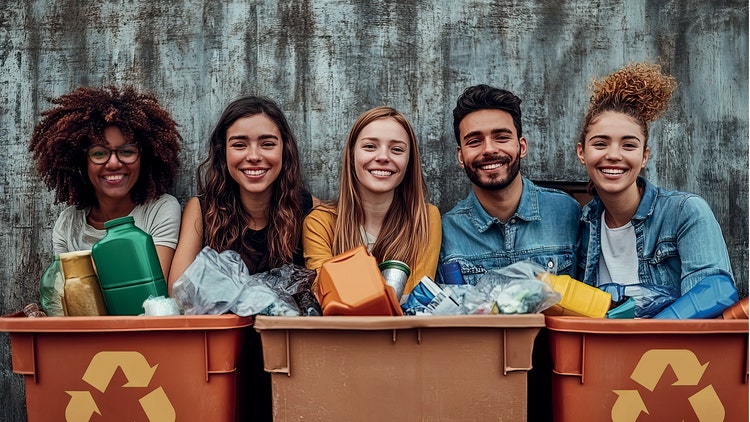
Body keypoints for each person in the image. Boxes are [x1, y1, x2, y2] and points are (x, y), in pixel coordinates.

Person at [168, 95, 317, 422]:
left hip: (292, 372)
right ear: (223, 153)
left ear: (284, 150)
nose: (254, 156)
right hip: (220, 370)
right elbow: (178, 293)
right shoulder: (202, 211)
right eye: (240, 144)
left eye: (267, 143)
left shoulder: (311, 211)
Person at [439, 84, 581, 422]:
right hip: (481, 399)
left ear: (522, 146)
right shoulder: (444, 232)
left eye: (501, 137)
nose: (489, 150)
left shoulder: (570, 213)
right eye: (474, 141)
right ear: (460, 156)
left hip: (562, 392)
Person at [576, 62, 735, 301]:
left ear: (644, 157)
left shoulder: (685, 212)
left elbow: (713, 295)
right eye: (600, 143)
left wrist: (640, 327)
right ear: (582, 153)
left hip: (674, 341)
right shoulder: (583, 225)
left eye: (629, 145)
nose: (614, 154)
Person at [29, 86, 182, 280]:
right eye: (99, 153)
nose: (113, 163)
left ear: (145, 158)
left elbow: (150, 290)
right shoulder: (68, 224)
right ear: (81, 162)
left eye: (127, 151)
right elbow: (65, 296)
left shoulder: (160, 210)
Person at [303, 106, 441, 297]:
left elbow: (416, 297)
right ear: (352, 156)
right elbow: (324, 292)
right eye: (370, 146)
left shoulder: (425, 218)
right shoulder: (320, 223)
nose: (383, 157)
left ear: (409, 162)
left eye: (397, 149)